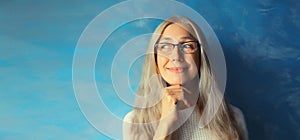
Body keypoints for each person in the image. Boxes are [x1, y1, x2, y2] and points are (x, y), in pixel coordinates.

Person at [123, 16, 248, 140]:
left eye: (187, 46)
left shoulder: (234, 117)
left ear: (201, 57)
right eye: (165, 46)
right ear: (155, 60)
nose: (176, 56)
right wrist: (165, 124)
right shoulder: (135, 123)